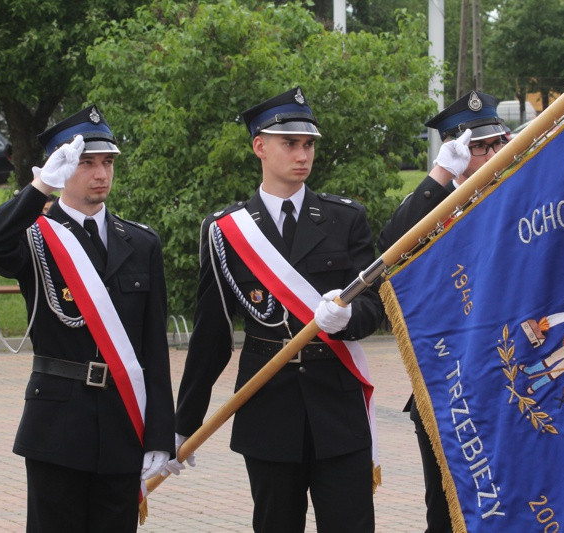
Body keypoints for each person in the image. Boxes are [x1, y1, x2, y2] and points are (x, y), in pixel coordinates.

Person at [172, 87, 384, 532]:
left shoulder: (346, 219)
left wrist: (347, 318)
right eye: (289, 143)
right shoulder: (226, 231)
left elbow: (375, 306)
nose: (302, 154)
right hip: (268, 409)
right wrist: (183, 427)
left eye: (308, 144)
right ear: (259, 147)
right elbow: (212, 337)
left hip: (337, 404)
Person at [0, 105, 174, 532]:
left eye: (108, 162)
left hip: (122, 423)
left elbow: (153, 348)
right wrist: (39, 187)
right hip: (58, 425)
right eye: (86, 163)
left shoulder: (140, 242)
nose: (101, 174)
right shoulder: (35, 235)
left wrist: (158, 434)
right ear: (63, 168)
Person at [377, 90, 508, 533]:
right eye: (478, 146)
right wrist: (438, 178)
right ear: (454, 150)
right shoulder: (431, 205)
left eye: (497, 144)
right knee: (450, 515)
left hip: (511, 382)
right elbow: (391, 252)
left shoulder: (513, 198)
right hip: (449, 390)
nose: (491, 154)